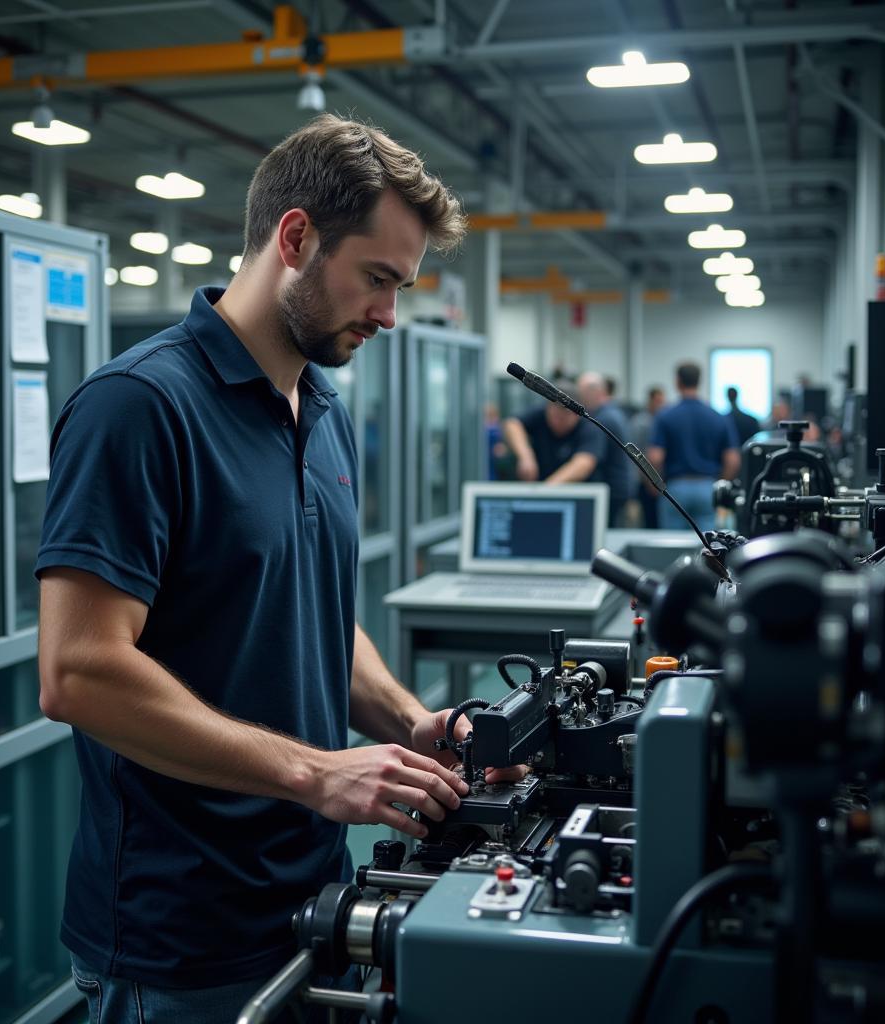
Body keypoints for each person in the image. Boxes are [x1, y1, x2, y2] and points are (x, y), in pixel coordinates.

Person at [35, 114, 524, 1024]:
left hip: (313, 905)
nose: (388, 314)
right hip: (179, 942)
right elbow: (77, 672)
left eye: (401, 287)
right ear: (294, 238)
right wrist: (315, 774)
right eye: (376, 280)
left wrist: (412, 723)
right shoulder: (138, 408)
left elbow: (308, 616)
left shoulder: (322, 410)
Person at [647, 362, 740, 532]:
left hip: (676, 488)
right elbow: (732, 460)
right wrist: (720, 482)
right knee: (707, 547)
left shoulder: (665, 416)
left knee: (673, 546)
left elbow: (655, 457)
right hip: (708, 488)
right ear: (699, 381)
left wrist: (654, 485)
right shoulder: (717, 416)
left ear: (677, 382)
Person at [501, 377, 605, 484]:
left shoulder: (589, 427)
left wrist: (549, 488)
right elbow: (512, 424)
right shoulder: (540, 414)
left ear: (576, 415)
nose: (557, 422)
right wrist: (526, 457)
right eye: (554, 415)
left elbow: (584, 463)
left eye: (563, 418)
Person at [577, 371, 633, 526]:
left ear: (594, 393)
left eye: (582, 394)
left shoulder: (602, 419)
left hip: (611, 490)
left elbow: (589, 459)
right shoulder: (613, 413)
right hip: (619, 486)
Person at [629, 387, 665, 529]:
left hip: (659, 480)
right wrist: (648, 480)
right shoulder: (640, 423)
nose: (661, 405)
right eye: (658, 401)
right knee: (648, 519)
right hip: (645, 480)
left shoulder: (661, 420)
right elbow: (636, 454)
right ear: (650, 401)